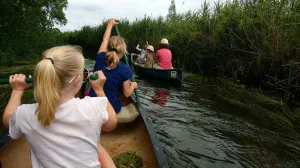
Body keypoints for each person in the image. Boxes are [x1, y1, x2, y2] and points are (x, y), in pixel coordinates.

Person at [2, 46, 117, 167]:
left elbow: (7, 121)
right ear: (77, 79)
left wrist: (17, 90)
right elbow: (111, 124)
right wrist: (99, 90)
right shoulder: (93, 105)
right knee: (99, 148)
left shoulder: (24, 113)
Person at [88, 18, 138, 114]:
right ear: (124, 51)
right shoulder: (125, 69)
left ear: (107, 48)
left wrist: (110, 24)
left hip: (92, 105)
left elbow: (105, 40)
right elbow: (127, 93)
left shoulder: (100, 57)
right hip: (111, 108)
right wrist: (134, 85)